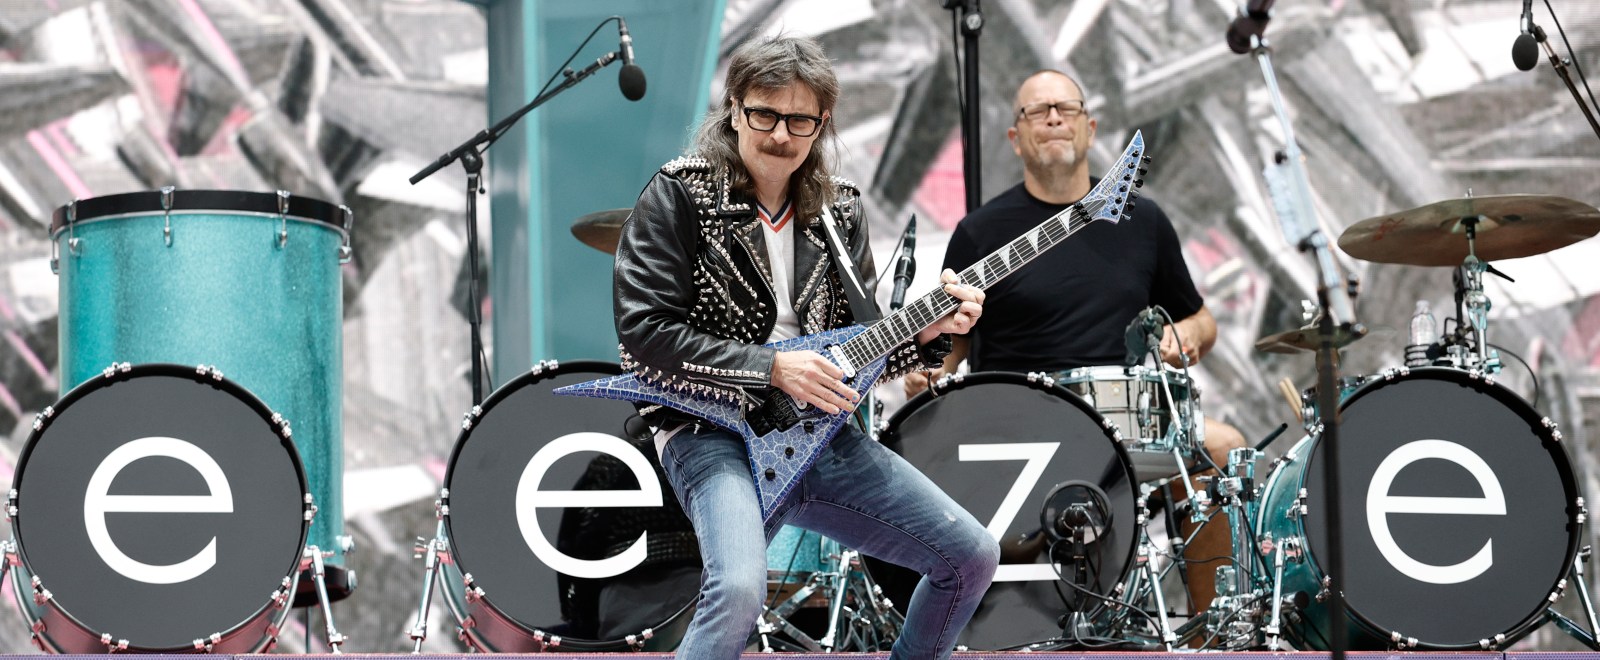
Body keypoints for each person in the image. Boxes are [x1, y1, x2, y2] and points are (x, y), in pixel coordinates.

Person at [612, 35, 1000, 660]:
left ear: (822, 124)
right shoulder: (679, 195)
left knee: (972, 556)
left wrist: (927, 335)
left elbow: (860, 346)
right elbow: (644, 332)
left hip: (822, 437)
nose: (780, 135)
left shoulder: (840, 210)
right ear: (734, 109)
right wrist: (771, 368)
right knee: (739, 591)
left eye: (800, 121)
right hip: (710, 430)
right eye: (764, 114)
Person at [904, 69, 1248, 622]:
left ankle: (1211, 633)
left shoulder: (1144, 221)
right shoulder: (980, 233)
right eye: (1037, 112)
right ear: (1016, 138)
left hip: (1126, 419)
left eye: (1066, 109)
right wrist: (928, 372)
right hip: (1014, 421)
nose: (1054, 119)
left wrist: (1187, 336)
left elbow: (1200, 319)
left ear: (1090, 128)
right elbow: (952, 345)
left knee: (1225, 449)